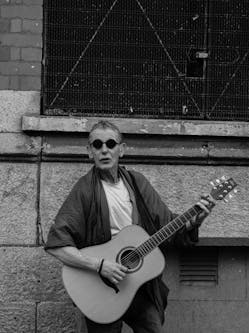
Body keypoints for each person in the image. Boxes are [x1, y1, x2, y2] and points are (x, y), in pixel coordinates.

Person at [45, 120, 213, 333]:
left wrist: (194, 221)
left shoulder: (137, 183)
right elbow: (56, 246)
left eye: (110, 144)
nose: (104, 150)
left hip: (139, 286)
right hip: (102, 288)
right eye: (97, 145)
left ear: (121, 149)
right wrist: (99, 265)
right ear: (90, 152)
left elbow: (168, 226)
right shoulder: (84, 190)